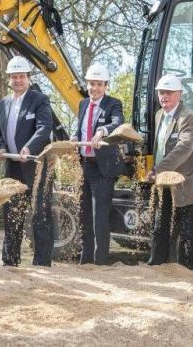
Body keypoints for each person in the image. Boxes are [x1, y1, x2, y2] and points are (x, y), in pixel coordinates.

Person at [145, 74, 193, 269]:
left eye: (169, 92)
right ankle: (156, 266)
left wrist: (158, 169)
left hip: (190, 181)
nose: (164, 96)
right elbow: (160, 147)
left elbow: (184, 148)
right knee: (160, 225)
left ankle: (185, 273)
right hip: (166, 179)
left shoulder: (188, 117)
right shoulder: (160, 115)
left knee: (187, 231)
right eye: (161, 92)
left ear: (179, 94)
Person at [0, 55, 53, 266]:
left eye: (21, 76)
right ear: (8, 79)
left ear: (28, 77)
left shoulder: (39, 100)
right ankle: (10, 262)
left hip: (35, 167)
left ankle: (42, 263)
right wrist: (0, 148)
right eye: (14, 77)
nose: (18, 80)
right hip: (12, 168)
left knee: (40, 216)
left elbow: (44, 129)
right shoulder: (3, 104)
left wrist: (29, 147)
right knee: (11, 215)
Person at [71, 63, 124, 265]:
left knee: (99, 217)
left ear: (106, 86)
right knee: (84, 214)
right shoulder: (84, 104)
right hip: (85, 165)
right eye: (92, 84)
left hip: (103, 168)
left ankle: (100, 262)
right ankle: (86, 262)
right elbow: (80, 129)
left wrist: (102, 131)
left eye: (99, 84)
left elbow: (118, 122)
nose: (94, 88)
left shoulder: (113, 104)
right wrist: (74, 136)